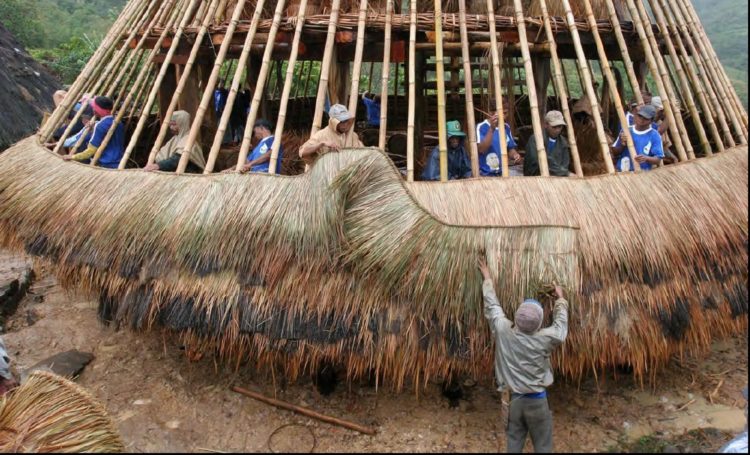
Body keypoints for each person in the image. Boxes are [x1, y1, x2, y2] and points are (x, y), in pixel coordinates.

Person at [478, 258, 569, 453]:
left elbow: (492, 307)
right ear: (539, 324)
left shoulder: (503, 330)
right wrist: (560, 300)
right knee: (543, 446)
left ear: (517, 317)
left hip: (513, 402)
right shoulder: (545, 338)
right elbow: (561, 328)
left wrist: (487, 277)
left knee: (514, 443)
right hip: (537, 402)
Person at [62, 96, 125, 169]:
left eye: (94, 107)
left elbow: (90, 151)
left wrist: (73, 157)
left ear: (96, 110)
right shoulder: (118, 122)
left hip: (105, 164)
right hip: (119, 161)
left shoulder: (100, 126)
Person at [299, 104, 363, 166]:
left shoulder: (352, 135)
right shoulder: (321, 135)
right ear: (334, 122)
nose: (345, 125)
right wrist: (322, 144)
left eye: (346, 121)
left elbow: (363, 152)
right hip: (327, 174)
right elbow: (302, 152)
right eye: (341, 122)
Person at [611, 104, 664, 172]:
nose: (641, 120)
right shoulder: (626, 131)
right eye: (640, 116)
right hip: (623, 172)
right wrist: (622, 144)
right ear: (636, 116)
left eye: (646, 118)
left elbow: (658, 159)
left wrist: (646, 158)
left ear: (651, 121)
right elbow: (615, 152)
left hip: (642, 173)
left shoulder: (654, 135)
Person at [476, 99, 521, 177]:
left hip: (502, 173)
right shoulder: (481, 127)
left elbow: (510, 149)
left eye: (506, 113)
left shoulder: (506, 127)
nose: (505, 116)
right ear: (492, 113)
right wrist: (492, 129)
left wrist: (515, 155)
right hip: (486, 174)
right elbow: (481, 149)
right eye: (503, 113)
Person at [523, 111, 572, 177]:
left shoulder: (563, 142)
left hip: (558, 177)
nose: (557, 130)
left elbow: (565, 164)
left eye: (560, 127)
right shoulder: (536, 139)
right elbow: (536, 160)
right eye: (554, 127)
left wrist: (562, 172)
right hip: (536, 176)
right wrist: (562, 172)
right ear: (546, 125)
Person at [651, 96, 678, 165]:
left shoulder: (659, 122)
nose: (663, 113)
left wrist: (672, 157)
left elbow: (664, 146)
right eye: (662, 111)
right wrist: (669, 115)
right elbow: (659, 132)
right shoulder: (648, 122)